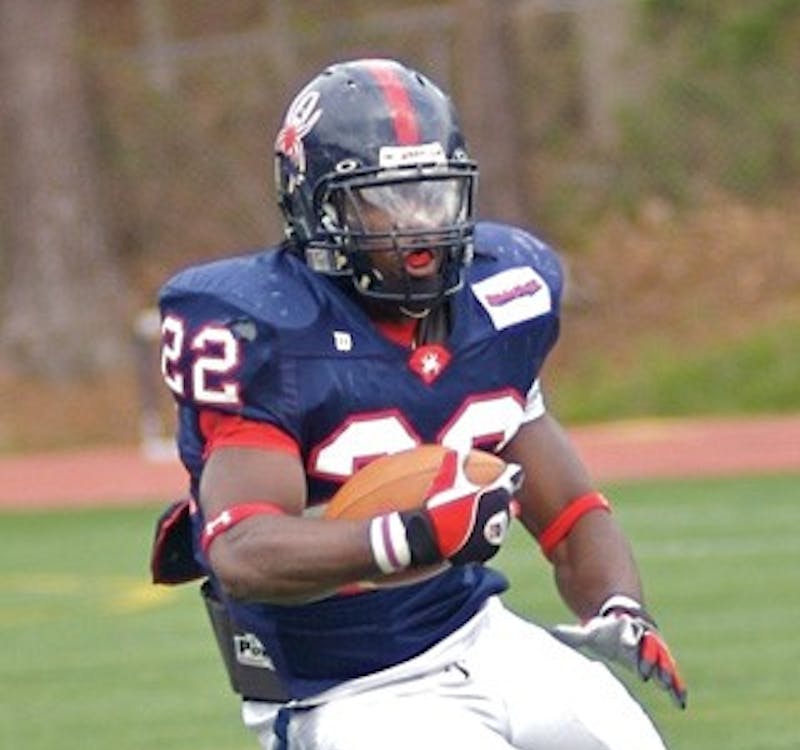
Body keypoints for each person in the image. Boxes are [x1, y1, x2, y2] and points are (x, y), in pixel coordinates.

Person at [152, 58, 686, 750]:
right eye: (385, 201)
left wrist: (620, 604)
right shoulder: (266, 328)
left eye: (433, 195)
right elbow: (242, 550)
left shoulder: (501, 297)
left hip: (479, 635)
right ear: (315, 207)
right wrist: (412, 536)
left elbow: (571, 510)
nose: (419, 226)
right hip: (342, 687)